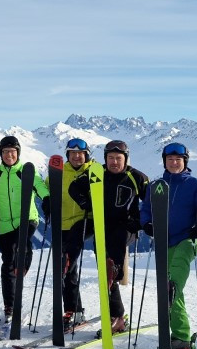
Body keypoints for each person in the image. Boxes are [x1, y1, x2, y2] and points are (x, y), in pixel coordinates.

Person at [138, 142, 197, 349]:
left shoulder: (196, 185)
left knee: (171, 286)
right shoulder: (156, 186)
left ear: (185, 162)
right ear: (164, 161)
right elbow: (146, 209)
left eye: (178, 160)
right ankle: (181, 337)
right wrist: (147, 223)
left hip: (187, 241)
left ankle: (180, 337)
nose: (174, 163)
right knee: (174, 293)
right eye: (170, 159)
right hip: (165, 242)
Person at [67, 140, 149, 332]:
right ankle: (117, 317)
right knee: (104, 273)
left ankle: (116, 270)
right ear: (105, 159)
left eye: (118, 158)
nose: (114, 162)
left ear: (125, 159)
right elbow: (74, 188)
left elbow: (152, 201)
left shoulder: (136, 177)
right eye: (110, 158)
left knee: (113, 257)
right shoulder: (96, 172)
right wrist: (85, 203)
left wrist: (139, 221)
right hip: (101, 226)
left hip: (125, 227)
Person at [0, 136, 49, 322]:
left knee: (21, 245)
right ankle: (10, 305)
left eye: (12, 151)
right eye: (5, 152)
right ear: (1, 154)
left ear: (18, 153)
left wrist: (47, 199)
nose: (9, 155)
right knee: (7, 265)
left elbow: (39, 186)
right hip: (4, 223)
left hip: (27, 219)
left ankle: (25, 258)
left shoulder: (26, 171)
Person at [60, 138, 98, 325]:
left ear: (86, 155)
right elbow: (48, 190)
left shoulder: (94, 171)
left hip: (85, 221)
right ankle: (73, 310)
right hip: (63, 225)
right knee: (66, 270)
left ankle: (74, 310)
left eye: (80, 154)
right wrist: (48, 203)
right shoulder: (59, 172)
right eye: (73, 153)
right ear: (68, 155)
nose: (76, 157)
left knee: (68, 263)